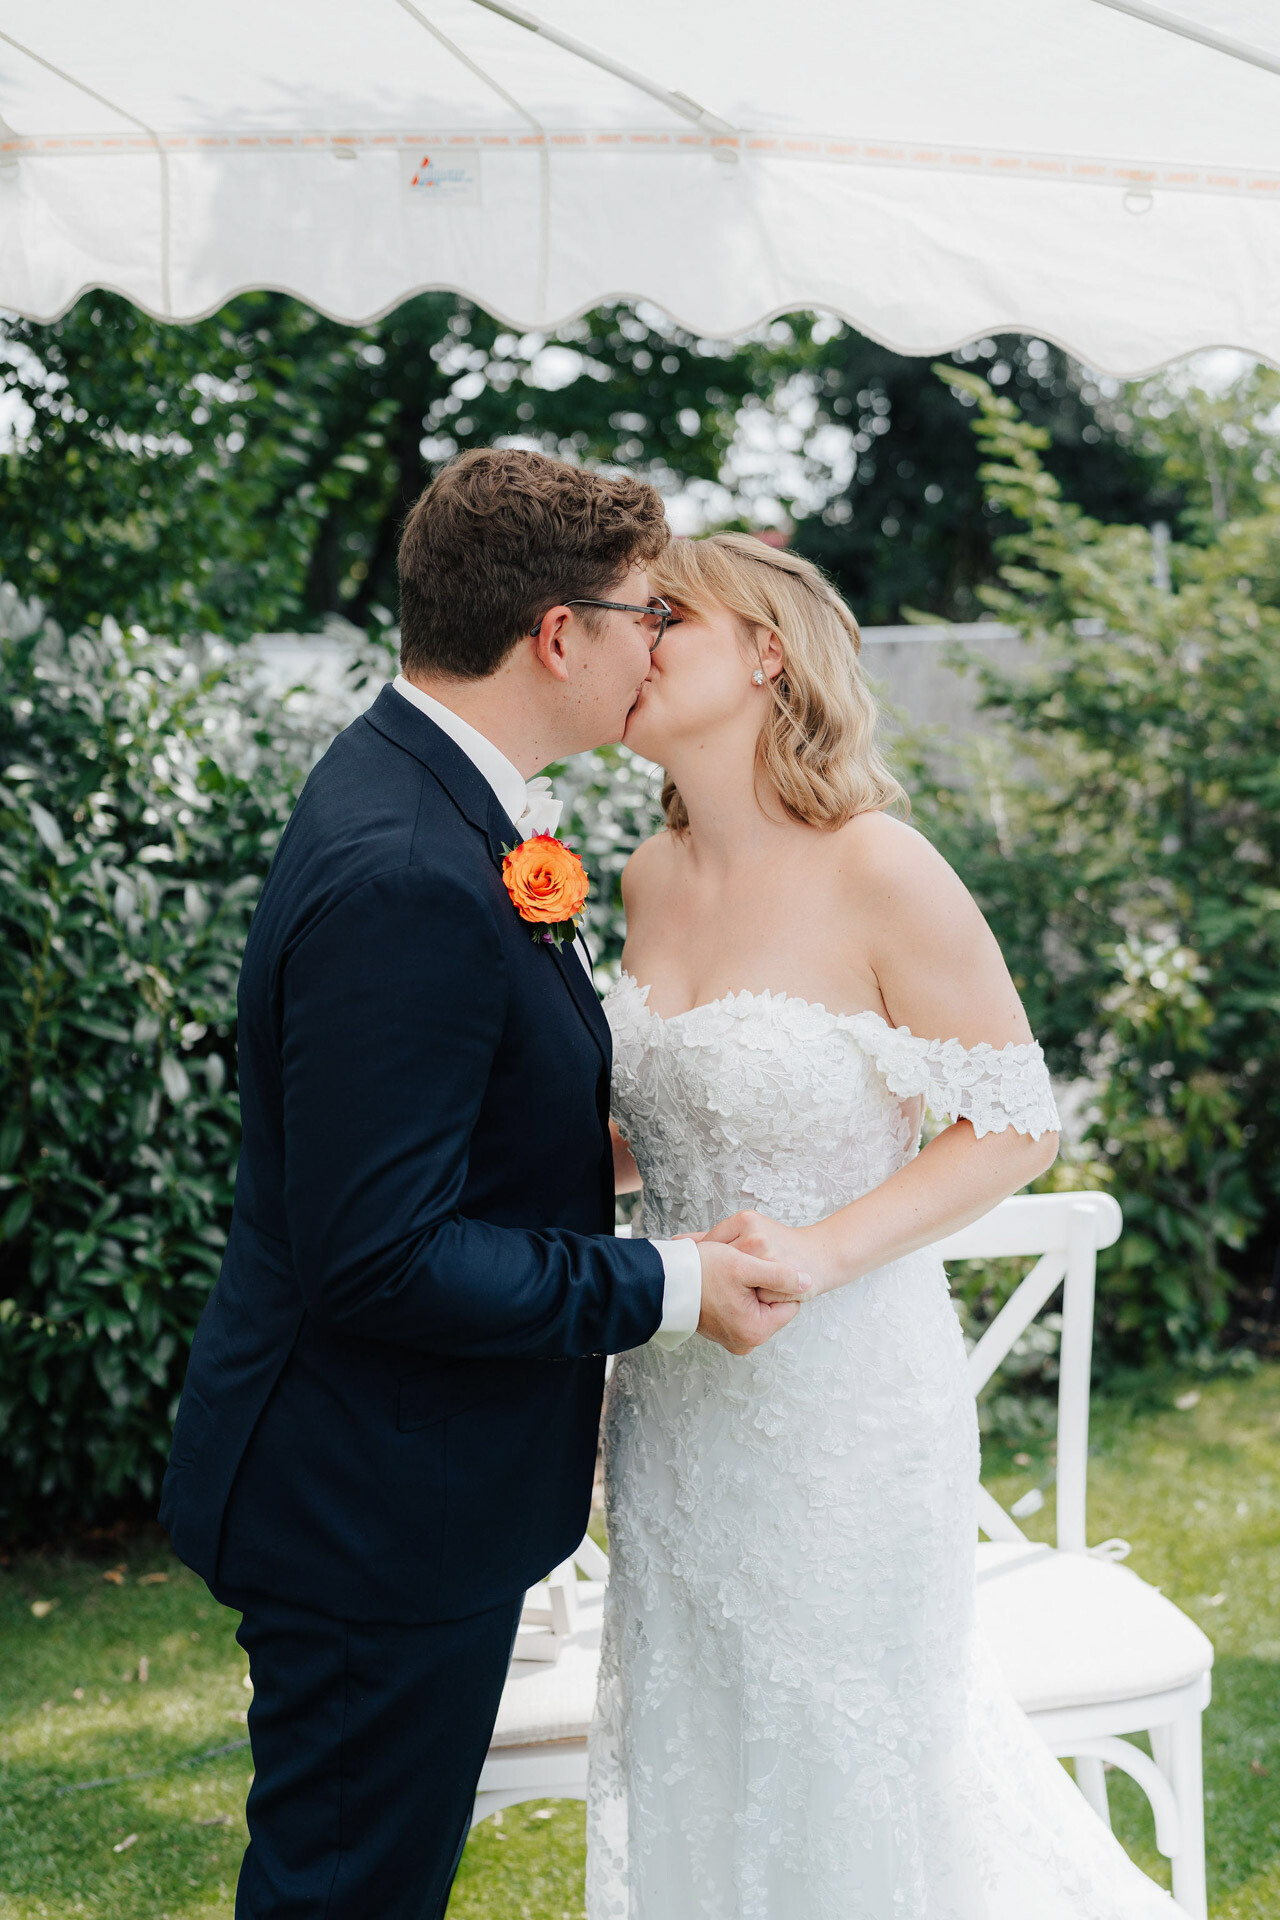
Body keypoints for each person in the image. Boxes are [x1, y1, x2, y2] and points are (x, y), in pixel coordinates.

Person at [159, 454, 806, 1920]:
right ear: (560, 636)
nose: (658, 640)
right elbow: (382, 1255)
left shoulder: (442, 799)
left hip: (388, 1481)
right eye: (646, 612)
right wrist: (675, 1282)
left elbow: (444, 1121)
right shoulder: (409, 862)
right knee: (348, 1894)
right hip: (364, 1506)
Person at [587, 532, 1179, 1918]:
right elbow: (653, 1126)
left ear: (768, 652)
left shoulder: (877, 865)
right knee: (707, 1751)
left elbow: (1016, 1120)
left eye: (672, 612)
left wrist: (820, 1252)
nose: (635, 633)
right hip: (674, 1405)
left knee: (852, 1761)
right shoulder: (637, 880)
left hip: (844, 1405)